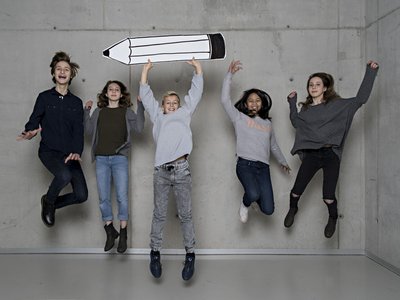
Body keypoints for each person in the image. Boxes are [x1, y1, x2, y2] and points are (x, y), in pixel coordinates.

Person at [284, 60, 379, 238]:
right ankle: (293, 208)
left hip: (330, 155)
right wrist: (292, 102)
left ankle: (333, 217)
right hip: (312, 155)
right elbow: (296, 122)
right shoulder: (305, 110)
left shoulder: (338, 105)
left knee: (328, 196)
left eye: (318, 84)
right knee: (296, 191)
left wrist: (371, 72)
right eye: (311, 85)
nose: (313, 87)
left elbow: (360, 100)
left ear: (325, 87)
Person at [139, 58, 203, 281]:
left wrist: (198, 69)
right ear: (163, 105)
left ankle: (191, 254)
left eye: (176, 102)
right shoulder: (158, 117)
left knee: (185, 215)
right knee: (159, 214)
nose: (173, 105)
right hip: (161, 172)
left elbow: (195, 94)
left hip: (182, 169)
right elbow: (146, 96)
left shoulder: (184, 114)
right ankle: (155, 253)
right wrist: (145, 71)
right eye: (168, 102)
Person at [17, 51, 88, 227]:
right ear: (53, 73)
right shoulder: (44, 97)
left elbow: (78, 131)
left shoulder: (76, 103)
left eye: (66, 69)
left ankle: (49, 200)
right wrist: (30, 131)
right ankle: (49, 202)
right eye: (59, 69)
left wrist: (77, 152)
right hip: (49, 151)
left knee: (81, 195)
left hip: (69, 154)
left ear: (71, 74)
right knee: (63, 175)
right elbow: (34, 119)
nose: (62, 72)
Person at [221, 60, 290, 224]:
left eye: (257, 100)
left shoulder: (268, 124)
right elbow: (224, 100)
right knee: (252, 194)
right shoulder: (239, 118)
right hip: (245, 165)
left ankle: (254, 201)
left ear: (262, 103)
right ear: (245, 104)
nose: (254, 103)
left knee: (268, 210)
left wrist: (283, 161)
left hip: (263, 168)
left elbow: (273, 145)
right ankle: (245, 204)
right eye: (250, 100)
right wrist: (229, 75)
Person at [84, 81, 144, 253]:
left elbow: (139, 128)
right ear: (106, 93)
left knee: (121, 197)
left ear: (121, 94)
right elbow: (88, 131)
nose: (113, 91)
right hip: (101, 159)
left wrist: (141, 106)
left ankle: (123, 232)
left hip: (119, 159)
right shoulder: (98, 112)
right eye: (110, 89)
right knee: (103, 197)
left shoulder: (126, 112)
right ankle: (110, 231)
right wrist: (86, 111)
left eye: (117, 89)